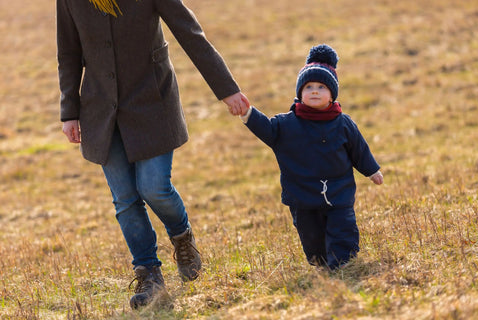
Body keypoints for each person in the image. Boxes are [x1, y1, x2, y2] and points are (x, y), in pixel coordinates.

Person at [56, 0, 249, 309]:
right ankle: (149, 276)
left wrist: (226, 89)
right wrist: (69, 111)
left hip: (152, 100)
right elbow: (68, 53)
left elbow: (189, 33)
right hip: (101, 109)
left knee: (154, 188)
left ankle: (182, 236)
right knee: (125, 199)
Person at [239, 44, 383, 270]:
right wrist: (248, 113)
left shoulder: (343, 123)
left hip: (338, 192)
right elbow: (265, 128)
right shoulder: (286, 124)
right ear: (299, 92)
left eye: (321, 87)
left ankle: (344, 263)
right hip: (302, 195)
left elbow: (359, 150)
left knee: (342, 227)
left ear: (332, 94)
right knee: (311, 237)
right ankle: (321, 262)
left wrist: (372, 170)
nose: (314, 91)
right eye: (308, 87)